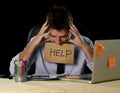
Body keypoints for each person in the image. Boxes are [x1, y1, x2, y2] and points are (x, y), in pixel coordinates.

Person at [9, 4, 94, 76]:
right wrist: (33, 44)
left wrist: (83, 46)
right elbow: (15, 72)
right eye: (53, 36)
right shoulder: (37, 41)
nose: (58, 42)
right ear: (47, 30)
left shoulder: (84, 42)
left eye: (63, 36)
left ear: (70, 30)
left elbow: (99, 71)